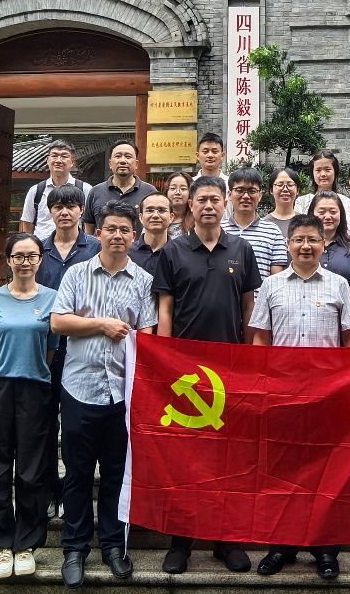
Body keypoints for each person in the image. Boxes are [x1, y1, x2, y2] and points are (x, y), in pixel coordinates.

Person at [153, 176, 262, 574]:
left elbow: (249, 307)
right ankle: (180, 542)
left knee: (227, 457)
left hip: (230, 367)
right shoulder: (174, 250)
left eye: (216, 199)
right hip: (185, 371)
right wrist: (164, 360)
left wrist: (250, 357)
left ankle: (225, 540)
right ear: (191, 204)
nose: (209, 206)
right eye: (202, 200)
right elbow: (165, 309)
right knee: (185, 459)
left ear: (226, 203)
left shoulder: (241, 249)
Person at [51, 202, 157, 587]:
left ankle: (113, 546)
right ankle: (74, 548)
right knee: (78, 473)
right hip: (79, 389)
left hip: (122, 395)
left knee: (115, 473)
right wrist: (101, 325)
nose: (117, 236)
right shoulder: (77, 274)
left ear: (134, 236)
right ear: (98, 234)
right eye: (110, 229)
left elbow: (148, 334)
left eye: (124, 230)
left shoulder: (143, 280)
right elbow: (58, 321)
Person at [250, 214, 350, 580]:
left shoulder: (339, 285)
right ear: (289, 245)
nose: (306, 246)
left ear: (324, 244)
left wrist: (346, 386)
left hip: (327, 395)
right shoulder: (271, 285)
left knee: (326, 472)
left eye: (313, 239)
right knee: (283, 471)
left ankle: (325, 548)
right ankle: (282, 544)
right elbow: (260, 338)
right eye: (299, 239)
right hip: (282, 393)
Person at [0, 233, 59, 580]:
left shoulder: (52, 298)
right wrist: (1, 371)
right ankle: (1, 546)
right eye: (19, 256)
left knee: (32, 469)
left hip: (35, 390)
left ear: (40, 260)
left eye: (32, 256)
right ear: (8, 260)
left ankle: (26, 545)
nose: (25, 262)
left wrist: (31, 370)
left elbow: (51, 348)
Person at [34, 184, 102, 520]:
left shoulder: (95, 248)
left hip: (84, 350)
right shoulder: (38, 250)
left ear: (81, 210)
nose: (64, 212)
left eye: (71, 206)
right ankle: (50, 490)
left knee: (77, 428)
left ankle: (75, 489)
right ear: (50, 211)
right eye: (58, 206)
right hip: (44, 351)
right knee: (45, 425)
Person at [222, 167, 289, 282]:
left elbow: (277, 279)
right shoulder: (219, 229)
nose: (246, 196)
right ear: (229, 195)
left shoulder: (273, 232)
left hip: (261, 294)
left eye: (252, 191)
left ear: (260, 195)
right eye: (240, 190)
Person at [20, 140, 93, 241]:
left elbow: (90, 222)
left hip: (75, 245)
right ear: (48, 160)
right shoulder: (36, 191)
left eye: (64, 156)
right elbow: (28, 221)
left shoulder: (85, 189)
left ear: (72, 162)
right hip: (42, 246)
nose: (58, 160)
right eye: (54, 156)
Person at [309, 190, 350, 314]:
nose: (328, 216)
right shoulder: (302, 248)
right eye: (321, 212)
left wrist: (340, 309)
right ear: (311, 214)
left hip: (344, 316)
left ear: (341, 214)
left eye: (333, 211)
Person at [82, 139, 157, 236]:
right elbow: (89, 229)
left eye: (128, 156)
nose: (122, 161)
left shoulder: (150, 192)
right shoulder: (96, 191)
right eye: (118, 156)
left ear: (136, 164)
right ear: (110, 163)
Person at [128, 191, 172, 277]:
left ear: (171, 217)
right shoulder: (127, 254)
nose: (155, 215)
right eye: (149, 210)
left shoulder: (179, 254)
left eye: (161, 210)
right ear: (141, 217)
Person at [265, 168, 301, 239]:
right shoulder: (263, 224)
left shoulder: (305, 222)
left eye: (290, 185)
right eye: (279, 185)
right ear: (271, 190)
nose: (285, 189)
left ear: (298, 190)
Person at [163, 171, 193, 239]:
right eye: (173, 188)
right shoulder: (158, 217)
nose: (177, 192)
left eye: (183, 189)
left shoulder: (198, 221)